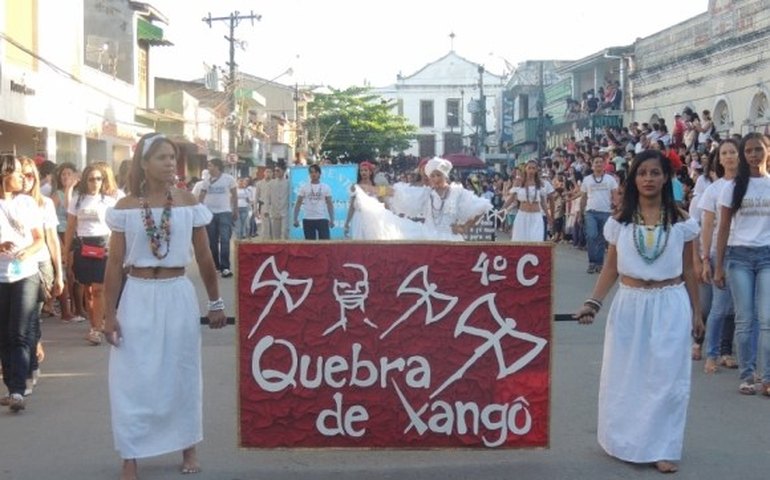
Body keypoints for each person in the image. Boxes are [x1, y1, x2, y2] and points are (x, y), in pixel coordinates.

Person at [103, 132, 228, 480]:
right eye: (161, 157)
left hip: (177, 294)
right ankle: (131, 454)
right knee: (132, 376)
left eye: (172, 157)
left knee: (181, 373)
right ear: (144, 164)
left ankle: (188, 445)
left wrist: (216, 302)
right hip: (138, 294)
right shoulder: (126, 207)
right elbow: (114, 265)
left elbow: (204, 258)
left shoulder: (189, 202)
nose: (170, 163)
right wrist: (108, 314)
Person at [574, 149, 703, 474]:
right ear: (633, 178)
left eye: (655, 173)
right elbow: (611, 267)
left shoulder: (682, 220)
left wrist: (697, 311)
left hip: (671, 303)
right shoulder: (620, 221)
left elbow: (688, 269)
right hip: (630, 304)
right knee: (627, 377)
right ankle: (625, 442)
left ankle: (663, 447)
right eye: (642, 173)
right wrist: (594, 301)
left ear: (665, 178)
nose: (648, 178)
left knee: (667, 379)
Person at [714, 132, 770, 396]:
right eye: (748, 151)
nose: (753, 155)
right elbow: (723, 227)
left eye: (758, 149)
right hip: (739, 258)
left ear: (767, 151)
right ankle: (747, 376)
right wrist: (717, 265)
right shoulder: (733, 186)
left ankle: (767, 377)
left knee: (768, 319)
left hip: (768, 256)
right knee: (745, 319)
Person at [353, 157, 491, 241]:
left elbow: (482, 207)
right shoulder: (426, 194)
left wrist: (464, 227)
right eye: (433, 176)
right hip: (428, 239)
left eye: (439, 175)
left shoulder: (458, 193)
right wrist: (374, 190)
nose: (436, 179)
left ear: (445, 176)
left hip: (451, 240)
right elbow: (398, 193)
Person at [0, 154, 45, 412]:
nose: (23, 178)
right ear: (4, 175)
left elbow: (39, 238)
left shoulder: (27, 203)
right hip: (1, 276)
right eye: (17, 173)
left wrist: (28, 251)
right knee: (4, 334)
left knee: (18, 331)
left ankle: (17, 391)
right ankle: (12, 387)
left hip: (25, 274)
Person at [19, 157, 64, 395]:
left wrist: (59, 274)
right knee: (17, 323)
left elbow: (52, 239)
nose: (25, 180)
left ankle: (28, 368)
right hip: (13, 267)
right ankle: (24, 361)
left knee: (30, 319)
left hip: (39, 264)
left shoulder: (44, 203)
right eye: (21, 175)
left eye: (29, 175)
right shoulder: (8, 201)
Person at [63, 163, 118, 345]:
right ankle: (96, 322)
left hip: (103, 246)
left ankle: (96, 329)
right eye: (91, 179)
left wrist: (115, 246)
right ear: (85, 181)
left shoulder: (109, 201)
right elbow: (71, 227)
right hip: (83, 246)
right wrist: (66, 251)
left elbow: (117, 228)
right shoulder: (77, 200)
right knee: (88, 289)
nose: (95, 182)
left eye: (99, 179)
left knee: (98, 289)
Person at [698, 139, 739, 374]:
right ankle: (711, 354)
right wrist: (705, 259)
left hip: (745, 250)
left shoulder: (749, 185)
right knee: (720, 307)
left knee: (740, 309)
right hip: (719, 252)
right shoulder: (713, 190)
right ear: (719, 159)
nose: (730, 156)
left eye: (733, 152)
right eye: (725, 153)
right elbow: (707, 226)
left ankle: (727, 352)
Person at [51, 162, 83, 322]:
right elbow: (67, 208)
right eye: (63, 174)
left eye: (68, 174)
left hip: (76, 234)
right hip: (60, 233)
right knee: (65, 272)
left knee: (74, 273)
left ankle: (79, 308)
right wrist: (68, 189)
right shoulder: (57, 194)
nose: (65, 177)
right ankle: (66, 311)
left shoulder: (78, 193)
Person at [578, 157, 619, 273]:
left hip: (606, 212)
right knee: (591, 235)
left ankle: (599, 264)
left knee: (601, 238)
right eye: (596, 162)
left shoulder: (610, 179)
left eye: (601, 162)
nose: (598, 164)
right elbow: (583, 197)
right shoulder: (587, 180)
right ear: (592, 165)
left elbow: (615, 195)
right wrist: (581, 213)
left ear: (604, 164)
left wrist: (617, 208)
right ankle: (592, 261)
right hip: (590, 212)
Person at [198, 158, 237, 277]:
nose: (208, 168)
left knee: (225, 240)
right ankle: (216, 266)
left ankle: (225, 267)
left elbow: (234, 195)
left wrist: (235, 210)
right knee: (212, 241)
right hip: (209, 214)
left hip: (225, 212)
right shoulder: (206, 180)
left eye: (210, 165)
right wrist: (199, 210)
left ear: (217, 167)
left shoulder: (228, 179)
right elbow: (202, 195)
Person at [503, 160, 550, 242]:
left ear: (536, 170)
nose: (531, 170)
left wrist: (548, 216)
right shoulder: (519, 183)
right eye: (529, 168)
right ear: (525, 169)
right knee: (520, 241)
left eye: (533, 168)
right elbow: (511, 198)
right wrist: (502, 209)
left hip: (536, 216)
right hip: (522, 216)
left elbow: (543, 202)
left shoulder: (540, 183)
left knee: (536, 240)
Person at [292, 164, 335, 240]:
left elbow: (330, 204)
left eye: (315, 172)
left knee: (325, 245)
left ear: (319, 173)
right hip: (308, 219)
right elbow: (298, 203)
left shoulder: (326, 187)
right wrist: (295, 219)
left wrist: (332, 219)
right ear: (309, 174)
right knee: (310, 247)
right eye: (311, 172)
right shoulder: (304, 187)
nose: (313, 174)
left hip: (322, 218)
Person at [344, 161, 380, 239]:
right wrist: (347, 222)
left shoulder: (376, 186)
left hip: (372, 218)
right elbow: (352, 207)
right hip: (358, 217)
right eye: (361, 170)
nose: (363, 172)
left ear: (370, 172)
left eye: (366, 170)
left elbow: (382, 202)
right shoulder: (355, 186)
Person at [266, 164, 290, 240]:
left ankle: (285, 250)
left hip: (285, 212)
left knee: (285, 232)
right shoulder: (271, 183)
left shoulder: (288, 183)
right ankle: (276, 251)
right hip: (274, 211)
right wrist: (266, 209)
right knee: (275, 235)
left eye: (278, 170)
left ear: (284, 171)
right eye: (275, 171)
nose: (276, 172)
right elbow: (267, 198)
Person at [252, 167, 272, 239]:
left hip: (273, 207)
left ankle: (274, 245)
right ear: (264, 173)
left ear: (272, 174)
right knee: (265, 227)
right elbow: (256, 197)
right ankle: (265, 244)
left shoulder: (274, 183)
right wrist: (255, 209)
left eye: (270, 172)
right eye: (267, 172)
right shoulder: (259, 184)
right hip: (264, 207)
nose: (268, 173)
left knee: (274, 228)